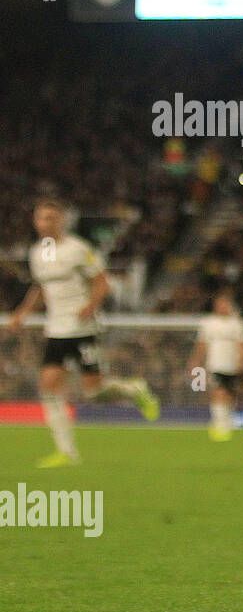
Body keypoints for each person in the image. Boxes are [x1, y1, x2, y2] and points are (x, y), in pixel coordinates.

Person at [6, 199, 159, 467]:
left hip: (83, 328)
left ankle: (134, 389)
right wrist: (22, 313)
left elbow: (102, 281)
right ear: (35, 221)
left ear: (62, 221)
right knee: (49, 387)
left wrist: (90, 306)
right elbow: (40, 288)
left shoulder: (78, 249)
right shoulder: (37, 253)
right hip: (57, 329)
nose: (45, 223)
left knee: (93, 391)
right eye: (41, 218)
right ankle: (66, 452)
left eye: (51, 218)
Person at [188, 290, 243, 442]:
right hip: (215, 363)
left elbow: (242, 345)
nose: (222, 306)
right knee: (217, 391)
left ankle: (227, 420)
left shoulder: (237, 324)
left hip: (231, 364)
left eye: (225, 304)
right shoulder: (208, 323)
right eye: (220, 304)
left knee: (229, 393)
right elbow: (202, 344)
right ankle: (219, 422)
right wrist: (196, 360)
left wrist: (242, 361)